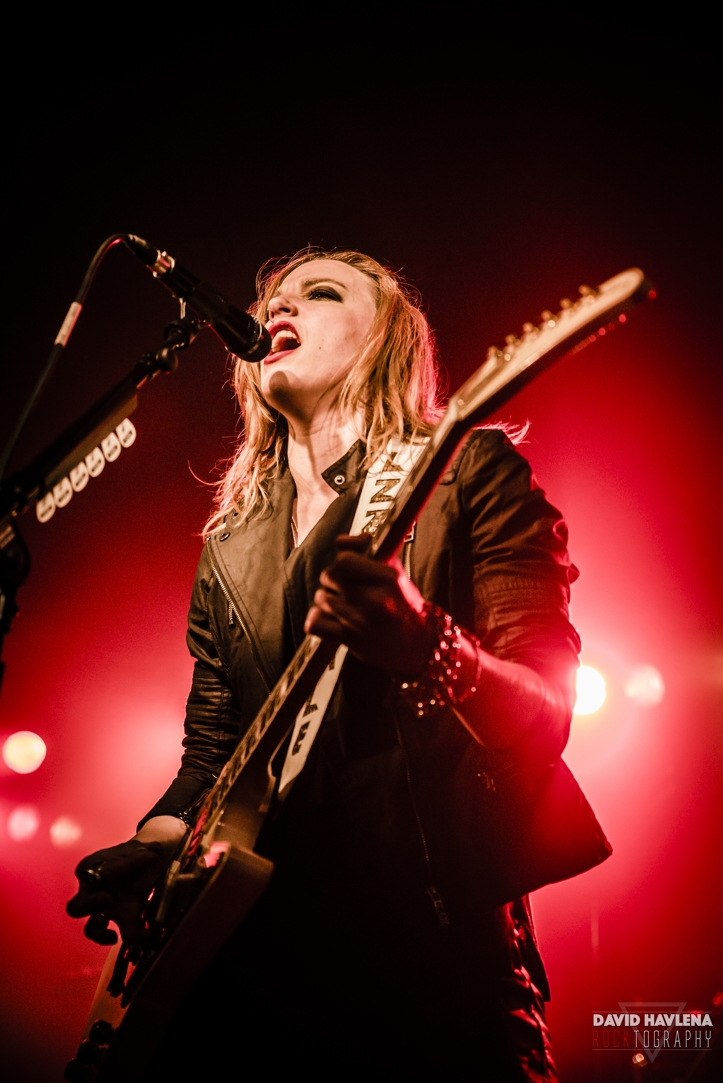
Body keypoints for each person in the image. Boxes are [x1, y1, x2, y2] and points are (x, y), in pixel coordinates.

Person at [67, 249, 610, 1080]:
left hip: (430, 964)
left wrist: (427, 643)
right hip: (251, 968)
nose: (277, 310)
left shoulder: (464, 472)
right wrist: (155, 844)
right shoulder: (229, 547)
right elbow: (211, 757)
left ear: (385, 340)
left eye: (318, 294)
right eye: (270, 302)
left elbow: (543, 716)